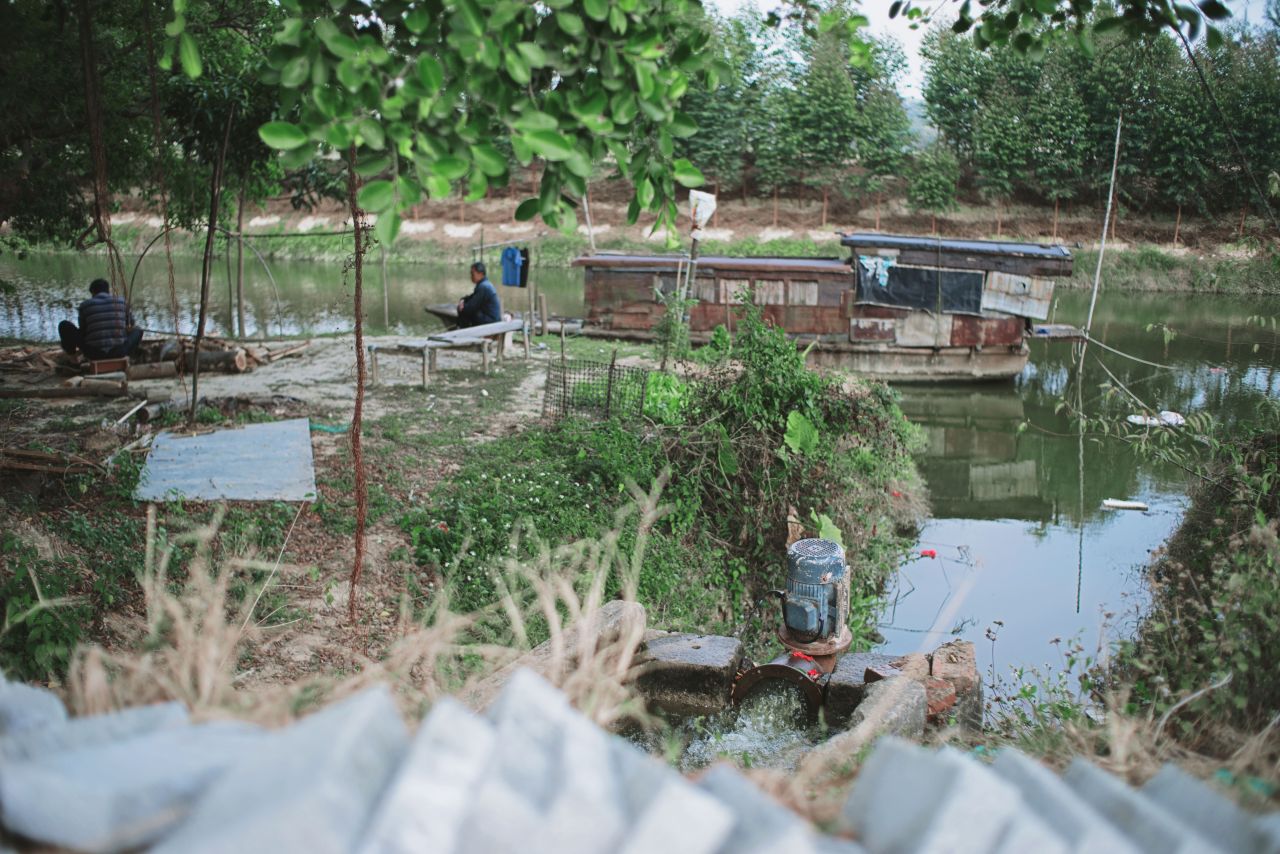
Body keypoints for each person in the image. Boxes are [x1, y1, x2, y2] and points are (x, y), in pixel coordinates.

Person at [58, 278, 143, 360]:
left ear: (92, 292)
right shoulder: (122, 301)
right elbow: (131, 325)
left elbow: (83, 331)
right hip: (119, 352)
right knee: (138, 330)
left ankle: (73, 359)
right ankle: (130, 356)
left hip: (93, 353)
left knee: (64, 325)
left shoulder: (85, 305)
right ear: (108, 290)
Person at [456, 261, 501, 328]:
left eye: (472, 273)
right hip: (492, 318)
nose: (471, 276)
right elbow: (472, 297)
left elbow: (471, 307)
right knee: (465, 308)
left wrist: (462, 306)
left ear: (480, 273)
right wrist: (463, 300)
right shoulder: (484, 284)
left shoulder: (483, 287)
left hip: (491, 320)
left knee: (463, 310)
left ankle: (465, 332)